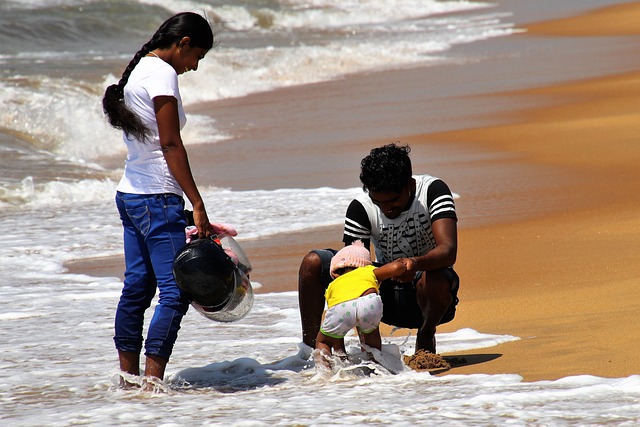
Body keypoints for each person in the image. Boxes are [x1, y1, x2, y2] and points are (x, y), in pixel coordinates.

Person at [102, 12, 215, 388]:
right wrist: (196, 203)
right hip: (156, 197)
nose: (194, 66)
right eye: (196, 55)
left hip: (130, 194)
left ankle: (127, 380)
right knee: (175, 291)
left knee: (137, 287)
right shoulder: (163, 74)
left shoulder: (139, 70)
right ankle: (152, 384)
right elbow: (169, 143)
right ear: (182, 44)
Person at [299, 143, 459, 355]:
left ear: (410, 185)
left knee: (436, 276)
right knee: (313, 262)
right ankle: (313, 352)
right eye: (378, 201)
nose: (386, 208)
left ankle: (426, 335)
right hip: (382, 293)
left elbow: (448, 251)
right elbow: (354, 276)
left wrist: (415, 263)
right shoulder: (360, 207)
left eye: (393, 200)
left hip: (429, 296)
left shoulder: (432, 191)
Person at [315, 241, 407, 364]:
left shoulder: (332, 284)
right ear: (365, 264)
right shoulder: (369, 270)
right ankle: (375, 367)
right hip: (369, 303)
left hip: (341, 308)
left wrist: (340, 352)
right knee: (371, 338)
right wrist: (402, 265)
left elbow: (334, 313)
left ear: (335, 272)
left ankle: (327, 372)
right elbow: (395, 268)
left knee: (323, 341)